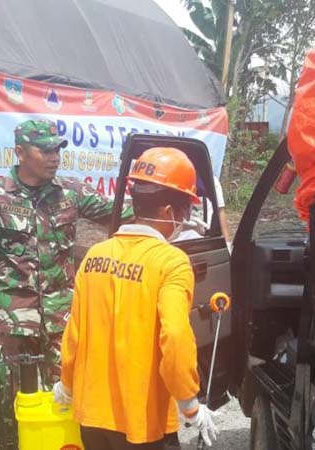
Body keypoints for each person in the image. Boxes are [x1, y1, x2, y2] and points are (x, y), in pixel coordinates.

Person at [0, 119, 132, 449]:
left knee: (66, 394)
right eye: (46, 150)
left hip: (61, 320)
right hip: (12, 320)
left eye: (58, 150)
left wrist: (163, 207)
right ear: (20, 152)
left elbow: (117, 211)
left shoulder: (70, 191)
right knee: (8, 401)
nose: (54, 157)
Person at [55, 147, 221, 449]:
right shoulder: (171, 262)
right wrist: (190, 405)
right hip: (142, 423)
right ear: (169, 212)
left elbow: (74, 333)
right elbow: (175, 336)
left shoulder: (95, 255)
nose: (185, 221)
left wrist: (66, 386)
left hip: (91, 419)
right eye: (185, 212)